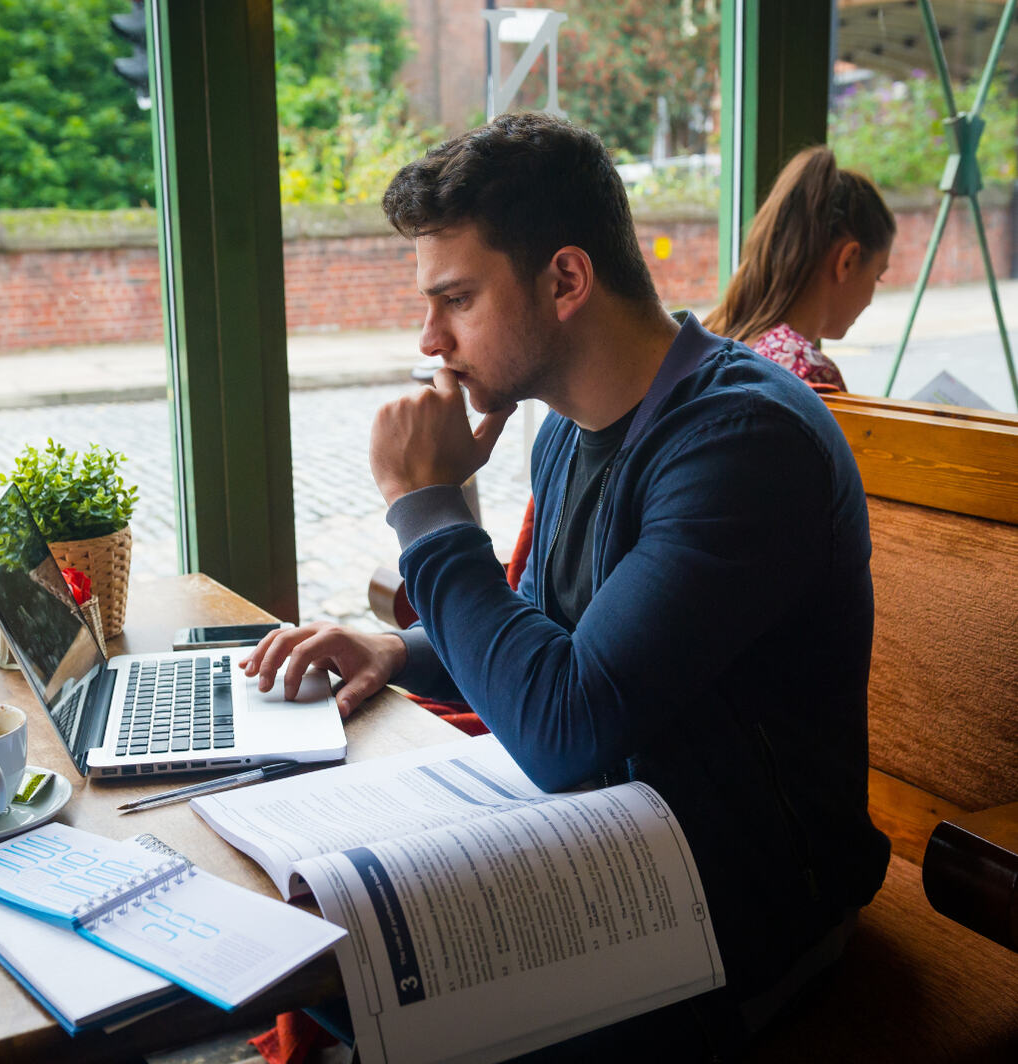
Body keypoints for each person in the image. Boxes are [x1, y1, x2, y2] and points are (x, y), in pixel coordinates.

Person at [241, 113, 889, 1057]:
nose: (431, 339)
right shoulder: (567, 429)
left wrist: (427, 508)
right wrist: (398, 648)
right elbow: (554, 639)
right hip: (614, 845)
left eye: (456, 299)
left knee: (383, 1012)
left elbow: (563, 724)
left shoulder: (742, 444)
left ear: (568, 279)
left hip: (747, 910)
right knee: (322, 923)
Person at [704, 145, 895, 391]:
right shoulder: (810, 374)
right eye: (877, 276)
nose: (871, 300)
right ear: (847, 261)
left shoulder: (715, 341)